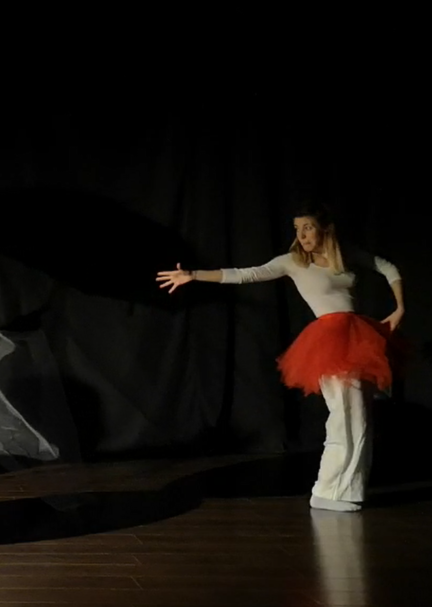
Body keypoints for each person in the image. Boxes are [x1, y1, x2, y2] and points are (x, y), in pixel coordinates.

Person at [156, 202, 405, 512]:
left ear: (325, 229)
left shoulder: (346, 254)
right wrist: (193, 275)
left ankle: (347, 490)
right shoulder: (293, 262)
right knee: (345, 415)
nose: (302, 235)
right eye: (297, 229)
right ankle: (329, 491)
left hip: (356, 336)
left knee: (360, 417)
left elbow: (387, 267)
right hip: (329, 342)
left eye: (308, 228)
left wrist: (400, 308)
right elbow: (246, 274)